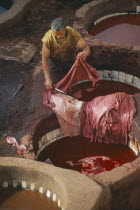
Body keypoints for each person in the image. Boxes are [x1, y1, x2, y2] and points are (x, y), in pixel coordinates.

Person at [41, 17, 90, 90]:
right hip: (55, 62)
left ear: (65, 29)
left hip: (71, 59)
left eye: (61, 34)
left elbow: (86, 47)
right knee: (57, 86)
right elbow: (44, 60)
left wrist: (84, 53)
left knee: (78, 80)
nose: (58, 36)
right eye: (56, 34)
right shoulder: (48, 39)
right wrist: (47, 79)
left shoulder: (72, 33)